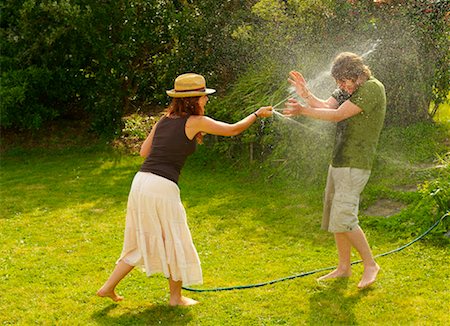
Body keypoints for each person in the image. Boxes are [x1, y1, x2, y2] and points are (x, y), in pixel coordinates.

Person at [97, 73, 273, 306]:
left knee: (143, 239)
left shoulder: (164, 120)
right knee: (174, 238)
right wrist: (256, 114)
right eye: (203, 96)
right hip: (161, 186)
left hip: (141, 182)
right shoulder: (195, 121)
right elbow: (232, 130)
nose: (206, 100)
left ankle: (108, 287)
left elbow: (143, 152)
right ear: (194, 99)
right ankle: (175, 298)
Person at [283, 52, 386, 289]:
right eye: (338, 82)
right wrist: (306, 95)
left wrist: (302, 111)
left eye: (343, 81)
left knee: (344, 216)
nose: (340, 86)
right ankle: (343, 268)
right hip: (339, 160)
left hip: (356, 161)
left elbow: (337, 115)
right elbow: (326, 106)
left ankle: (370, 264)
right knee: (334, 216)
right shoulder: (347, 89)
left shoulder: (371, 88)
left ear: (356, 75)